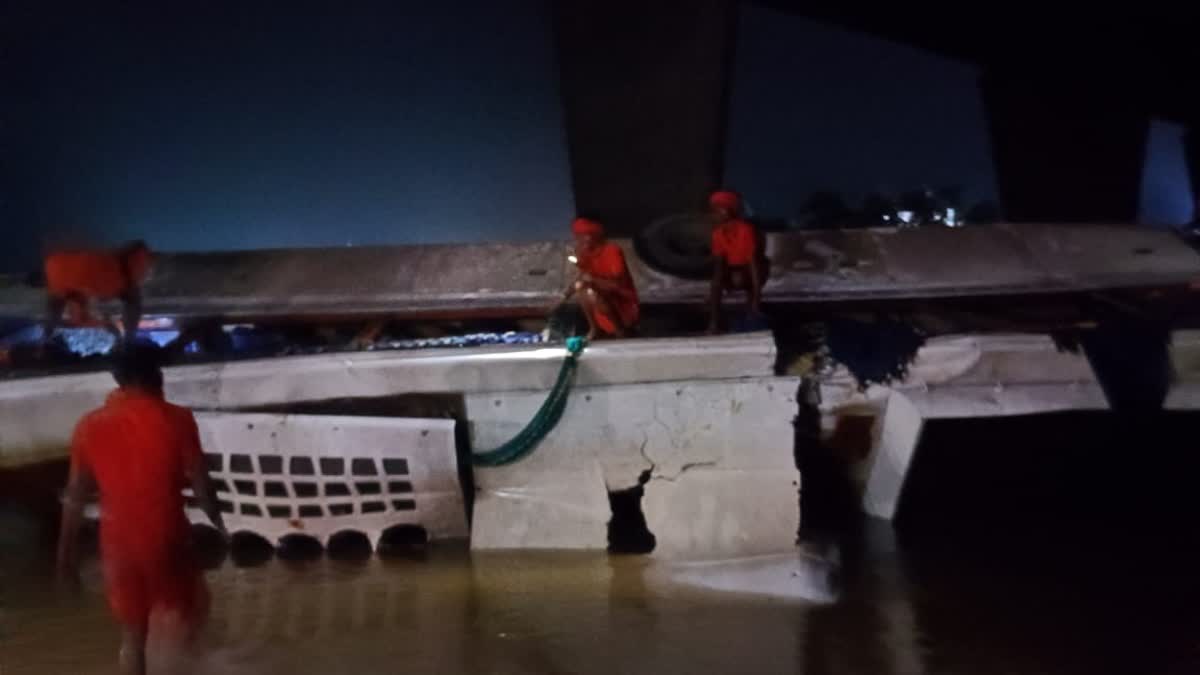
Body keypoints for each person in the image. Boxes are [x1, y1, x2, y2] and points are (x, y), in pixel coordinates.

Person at [56, 344, 226, 675]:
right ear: (155, 374)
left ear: (117, 379)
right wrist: (219, 522)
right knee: (194, 609)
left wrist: (65, 558)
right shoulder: (177, 418)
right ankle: (191, 666)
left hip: (117, 545)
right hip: (166, 536)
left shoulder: (89, 425)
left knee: (133, 635)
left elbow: (75, 494)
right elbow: (202, 485)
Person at [43, 240, 153, 347]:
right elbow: (55, 311)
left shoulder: (113, 283)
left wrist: (127, 339)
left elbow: (133, 303)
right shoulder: (55, 268)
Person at [553, 217, 639, 340]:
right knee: (582, 288)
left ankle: (620, 330)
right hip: (597, 292)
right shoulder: (582, 252)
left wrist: (593, 280)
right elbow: (581, 276)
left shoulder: (612, 251)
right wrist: (563, 297)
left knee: (592, 292)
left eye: (586, 235)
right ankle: (594, 329)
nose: (582, 239)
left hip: (621, 297)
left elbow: (617, 284)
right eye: (579, 235)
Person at [706, 190, 767, 334]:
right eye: (713, 211)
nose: (714, 215)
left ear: (727, 211)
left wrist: (757, 299)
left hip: (750, 269)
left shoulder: (746, 230)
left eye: (717, 210)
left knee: (746, 280)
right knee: (716, 283)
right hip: (732, 270)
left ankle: (752, 314)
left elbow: (754, 264)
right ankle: (713, 323)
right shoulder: (717, 234)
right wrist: (715, 288)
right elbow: (719, 266)